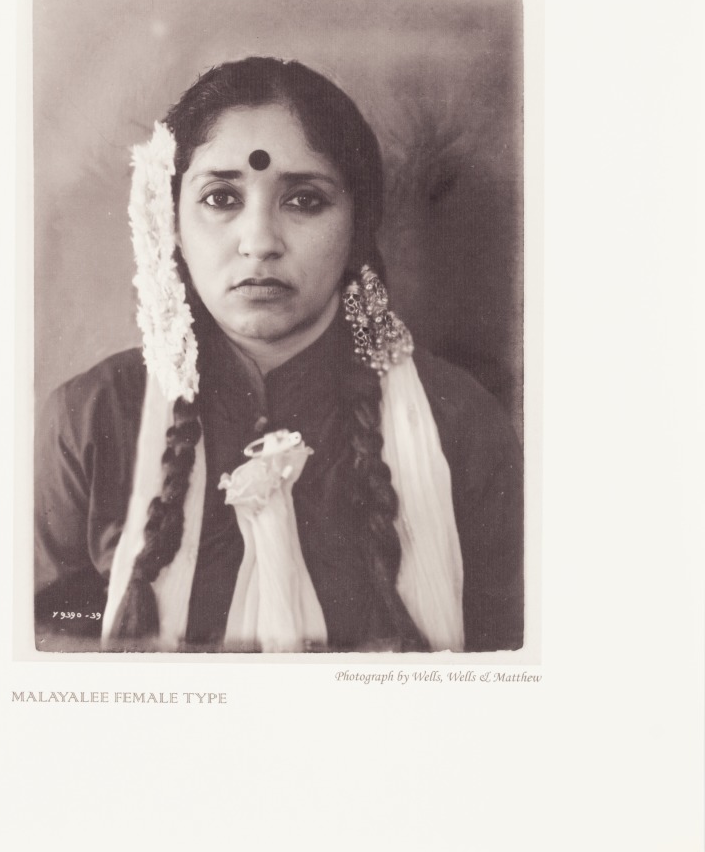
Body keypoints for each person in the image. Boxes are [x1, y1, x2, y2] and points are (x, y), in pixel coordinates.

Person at [34, 57, 522, 653]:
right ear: (173, 227)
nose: (260, 242)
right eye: (220, 198)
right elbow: (31, 655)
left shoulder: (460, 423)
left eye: (306, 201)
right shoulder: (90, 421)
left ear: (357, 230)